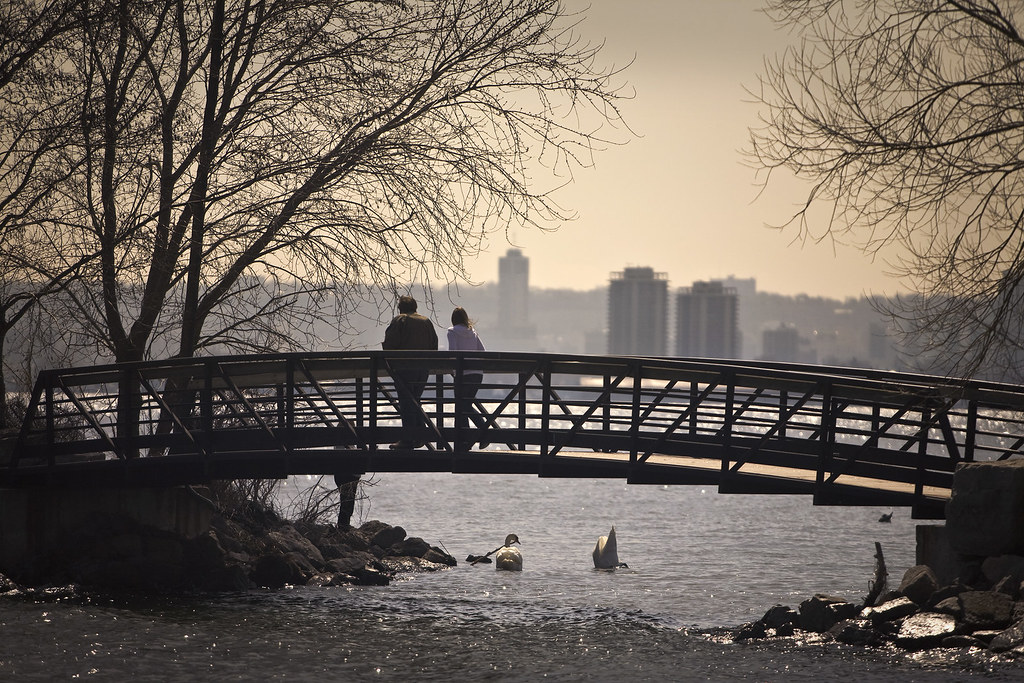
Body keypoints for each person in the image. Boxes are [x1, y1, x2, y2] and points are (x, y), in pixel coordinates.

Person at [382, 295, 438, 449]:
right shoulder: (426, 322)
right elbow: (434, 345)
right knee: (415, 401)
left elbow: (389, 345)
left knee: (407, 403)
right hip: (423, 369)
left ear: (400, 308)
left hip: (404, 368)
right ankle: (421, 436)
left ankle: (407, 440)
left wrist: (390, 363)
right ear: (415, 307)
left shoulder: (400, 321)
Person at [447, 307, 489, 446]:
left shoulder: (452, 332)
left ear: (453, 319)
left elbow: (453, 352)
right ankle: (471, 439)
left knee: (462, 406)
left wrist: (453, 370)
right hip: (477, 374)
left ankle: (479, 434)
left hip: (462, 375)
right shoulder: (473, 332)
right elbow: (483, 351)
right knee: (465, 405)